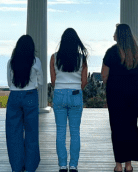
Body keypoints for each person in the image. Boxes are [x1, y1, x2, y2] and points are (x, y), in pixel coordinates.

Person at [102, 23, 138, 172]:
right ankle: (129, 164)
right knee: (131, 126)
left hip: (115, 93)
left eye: (115, 32)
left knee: (117, 128)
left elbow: (104, 75)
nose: (113, 35)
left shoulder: (111, 52)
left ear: (119, 35)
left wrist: (112, 84)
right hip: (133, 94)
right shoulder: (136, 53)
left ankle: (118, 165)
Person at [50, 28, 89, 172]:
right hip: (75, 93)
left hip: (59, 93)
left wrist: (61, 87)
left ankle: (62, 165)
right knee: (75, 132)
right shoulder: (81, 59)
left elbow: (53, 81)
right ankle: (73, 165)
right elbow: (84, 81)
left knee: (60, 131)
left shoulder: (54, 57)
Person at [6, 35, 42, 172]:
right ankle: (31, 166)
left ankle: (16, 166)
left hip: (14, 96)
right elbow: (41, 81)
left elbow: (9, 82)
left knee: (13, 133)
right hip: (30, 95)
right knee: (32, 132)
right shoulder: (36, 61)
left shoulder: (11, 62)